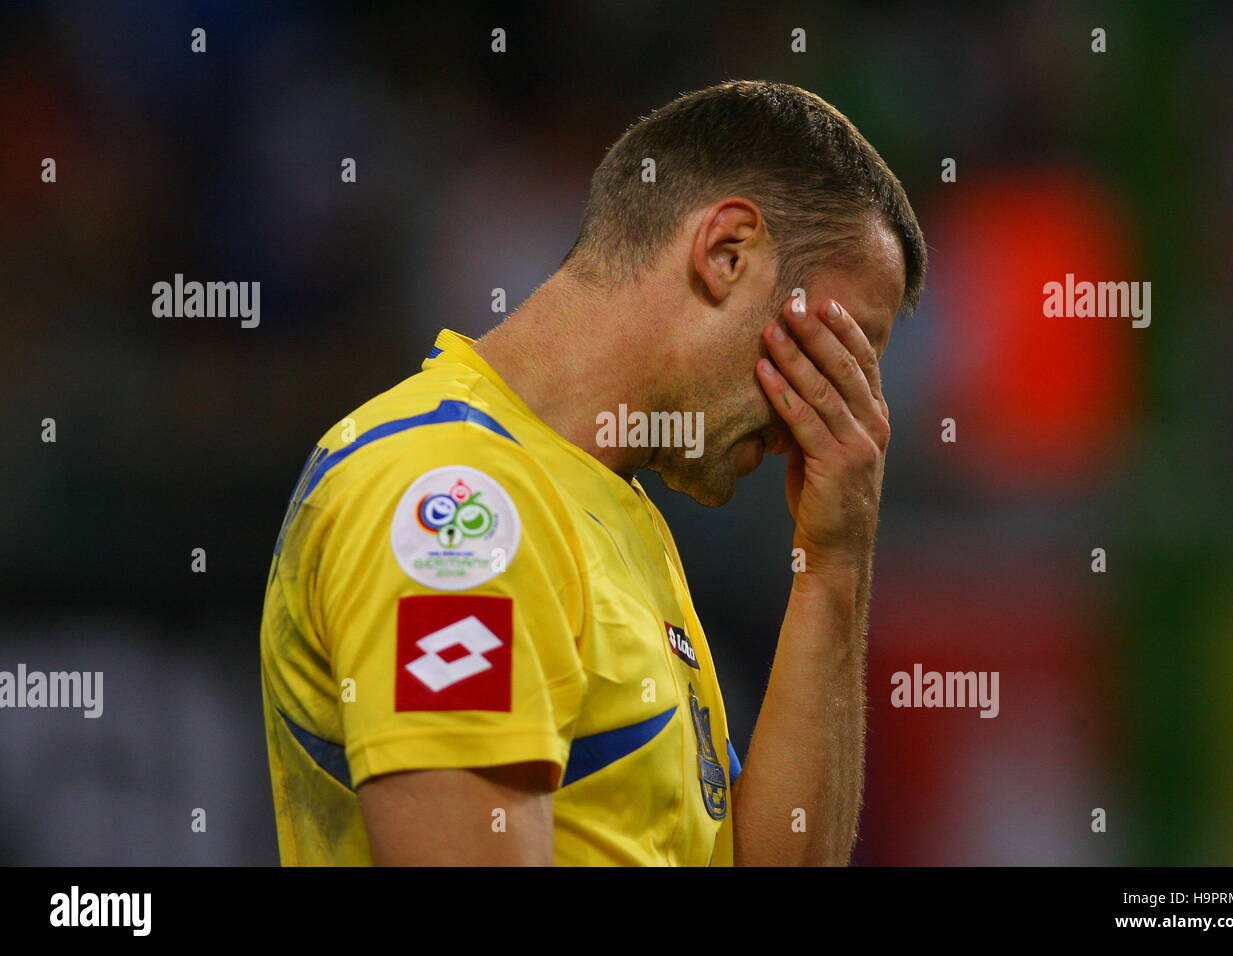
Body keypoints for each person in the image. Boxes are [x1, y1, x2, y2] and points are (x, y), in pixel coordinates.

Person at [259, 79, 926, 865]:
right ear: (726, 253)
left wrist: (835, 567)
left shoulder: (610, 507)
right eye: (834, 356)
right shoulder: (452, 498)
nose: (822, 423)